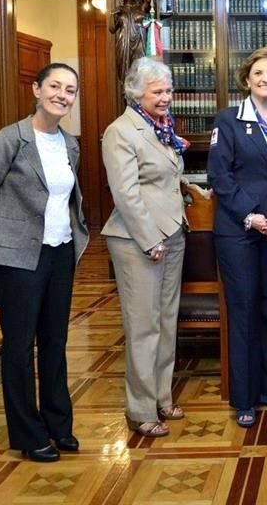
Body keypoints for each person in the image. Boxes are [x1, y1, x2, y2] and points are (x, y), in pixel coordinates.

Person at [0, 62, 89, 462]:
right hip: (19, 259)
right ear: (37, 90)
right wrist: (8, 240)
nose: (62, 94)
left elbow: (69, 199)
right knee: (20, 347)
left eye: (70, 90)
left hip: (60, 253)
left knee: (55, 343)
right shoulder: (10, 140)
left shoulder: (70, 143)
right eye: (55, 86)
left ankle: (59, 426)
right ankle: (28, 434)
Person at [208, 48, 267, 428]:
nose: (265, 79)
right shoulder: (228, 121)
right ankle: (244, 397)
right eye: (259, 73)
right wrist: (251, 216)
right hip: (239, 232)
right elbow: (220, 177)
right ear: (247, 79)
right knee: (243, 310)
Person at [102, 56, 188, 438]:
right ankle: (139, 409)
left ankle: (161, 396)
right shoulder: (121, 131)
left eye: (169, 90)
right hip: (139, 241)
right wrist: (150, 238)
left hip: (173, 233)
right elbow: (125, 193)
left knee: (166, 322)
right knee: (142, 326)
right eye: (158, 91)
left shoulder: (160, 128)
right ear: (136, 93)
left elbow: (165, 180)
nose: (167, 97)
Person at [111, 0, 152, 82]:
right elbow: (112, 29)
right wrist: (112, 15)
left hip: (139, 42)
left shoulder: (141, 8)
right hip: (124, 43)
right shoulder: (121, 9)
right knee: (124, 73)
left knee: (140, 72)